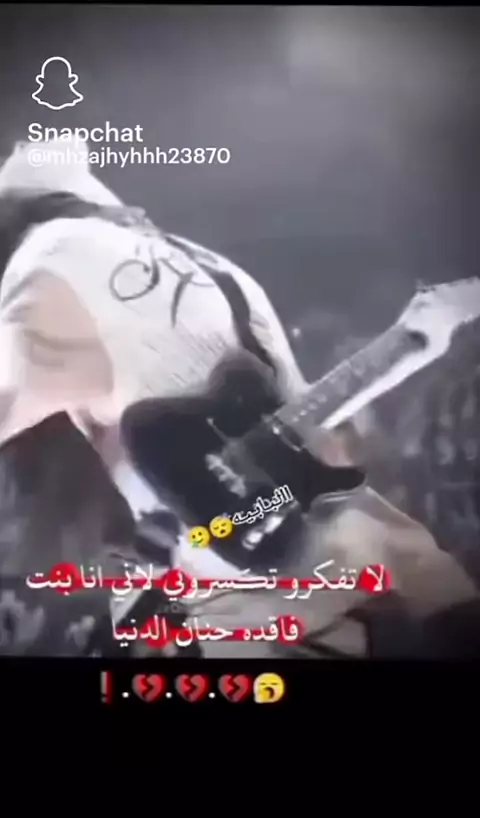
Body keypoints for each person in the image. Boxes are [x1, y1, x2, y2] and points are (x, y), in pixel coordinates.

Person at [0, 138, 476, 657]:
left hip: (262, 603)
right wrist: (410, 342)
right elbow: (302, 424)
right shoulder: (211, 265)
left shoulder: (50, 263)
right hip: (390, 560)